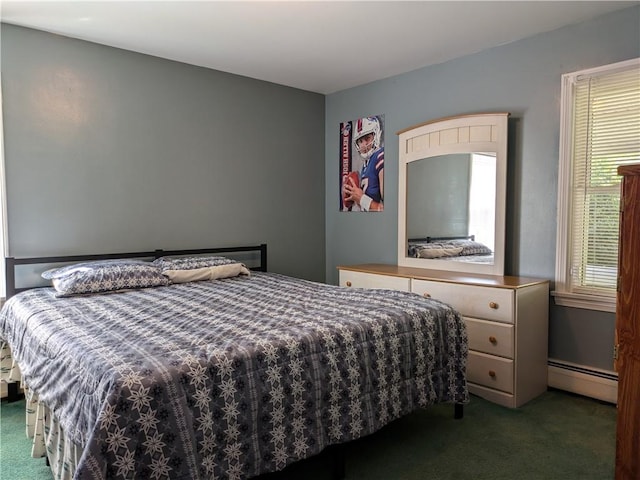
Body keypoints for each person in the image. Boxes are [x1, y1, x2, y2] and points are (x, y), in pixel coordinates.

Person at [343, 116, 384, 211]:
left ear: (376, 134)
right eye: (360, 141)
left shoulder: (380, 156)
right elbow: (368, 205)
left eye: (367, 138)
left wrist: (361, 198)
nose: (364, 145)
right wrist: (355, 196)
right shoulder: (366, 165)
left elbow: (388, 208)